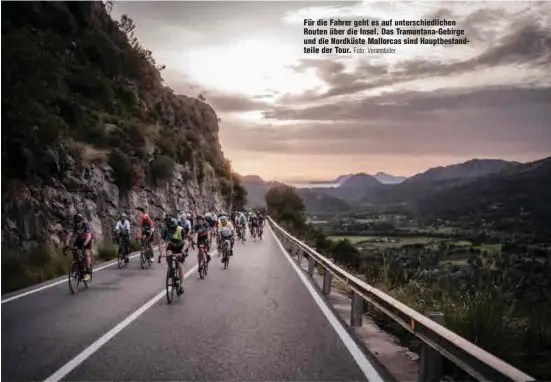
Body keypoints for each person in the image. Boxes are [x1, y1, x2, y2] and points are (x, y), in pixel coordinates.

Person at [64, 213, 93, 282]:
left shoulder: (86, 224)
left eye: (79, 222)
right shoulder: (74, 226)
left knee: (86, 253)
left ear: (82, 220)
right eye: (77, 222)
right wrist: (66, 245)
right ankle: (77, 266)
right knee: (74, 251)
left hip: (87, 239)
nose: (78, 224)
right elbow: (69, 235)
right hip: (79, 239)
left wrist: (84, 245)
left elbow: (89, 236)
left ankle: (88, 272)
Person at [163, 218, 186, 295]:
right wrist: (162, 252)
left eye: (173, 228)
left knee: (180, 266)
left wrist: (182, 252)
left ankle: (182, 285)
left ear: (176, 226)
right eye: (170, 228)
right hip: (172, 247)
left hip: (180, 248)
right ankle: (170, 269)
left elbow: (186, 242)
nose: (172, 230)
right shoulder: (166, 230)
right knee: (168, 254)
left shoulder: (181, 230)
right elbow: (163, 242)